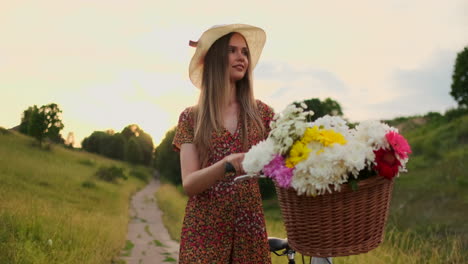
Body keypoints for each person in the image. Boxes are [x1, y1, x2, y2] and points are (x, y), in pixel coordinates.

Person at [172, 24, 274, 263]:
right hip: (204, 233)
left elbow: (289, 160)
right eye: (232, 50)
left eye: (245, 52)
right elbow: (189, 184)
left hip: (250, 232)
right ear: (216, 58)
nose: (242, 57)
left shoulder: (263, 114)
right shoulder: (191, 118)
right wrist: (226, 165)